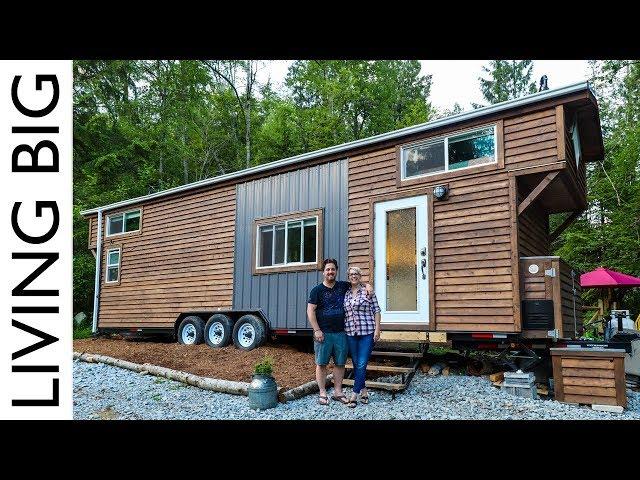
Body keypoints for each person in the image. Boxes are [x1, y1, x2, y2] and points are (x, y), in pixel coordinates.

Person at [307, 258, 372, 406]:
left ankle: (338, 392)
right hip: (323, 333)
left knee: (340, 363)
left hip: (341, 332)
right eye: (328, 269)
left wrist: (368, 285)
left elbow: (357, 282)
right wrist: (316, 330)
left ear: (336, 271)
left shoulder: (343, 286)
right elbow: (310, 311)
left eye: (333, 269)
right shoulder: (316, 290)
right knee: (321, 363)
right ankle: (322, 392)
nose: (330, 272)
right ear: (323, 272)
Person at [344, 266, 381, 406]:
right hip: (350, 332)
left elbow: (377, 311)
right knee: (356, 363)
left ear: (360, 276)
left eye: (356, 274)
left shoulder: (368, 291)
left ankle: (354, 393)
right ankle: (364, 391)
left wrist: (377, 329)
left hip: (367, 332)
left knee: (361, 363)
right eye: (351, 274)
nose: (353, 276)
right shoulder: (345, 293)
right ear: (348, 277)